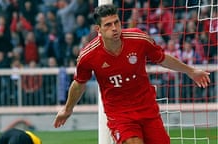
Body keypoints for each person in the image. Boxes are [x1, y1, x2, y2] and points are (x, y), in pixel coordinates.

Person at [53, 4, 210, 144]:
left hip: (147, 108)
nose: (114, 28)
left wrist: (191, 71)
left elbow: (162, 58)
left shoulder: (138, 38)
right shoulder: (88, 55)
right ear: (98, 29)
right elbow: (79, 83)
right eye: (108, 25)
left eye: (116, 22)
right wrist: (68, 109)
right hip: (120, 114)